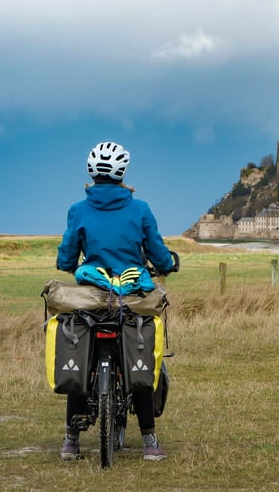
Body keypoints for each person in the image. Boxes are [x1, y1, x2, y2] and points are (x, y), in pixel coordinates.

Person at [56, 141, 177, 461]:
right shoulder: (140, 209)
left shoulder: (78, 209)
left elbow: (67, 256)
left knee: (82, 350)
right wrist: (167, 265)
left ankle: (70, 440)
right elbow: (157, 252)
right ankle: (150, 442)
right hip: (131, 296)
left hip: (92, 296)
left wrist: (70, 264)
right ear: (122, 172)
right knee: (142, 351)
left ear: (91, 172)